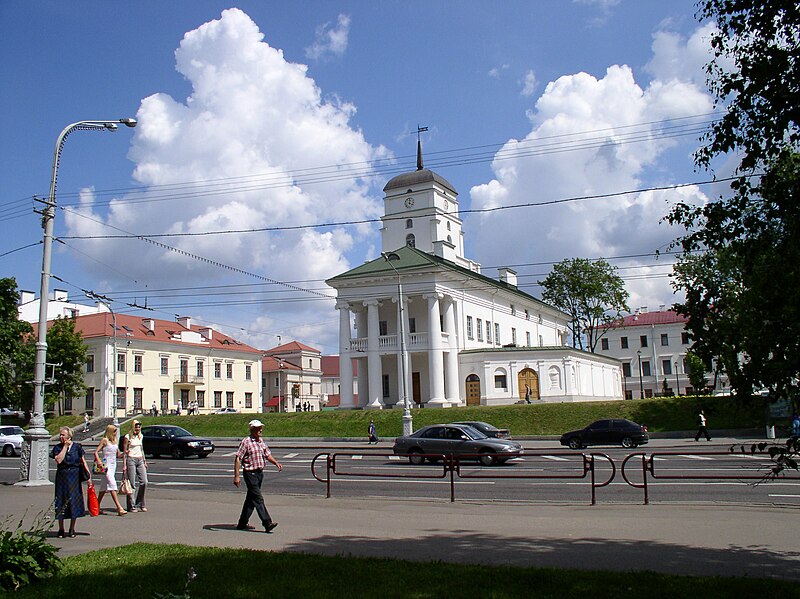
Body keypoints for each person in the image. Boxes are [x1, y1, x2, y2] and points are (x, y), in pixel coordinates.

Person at [233, 419, 282, 533]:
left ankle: (242, 523)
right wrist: (237, 476)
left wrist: (276, 463)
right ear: (252, 429)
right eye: (258, 428)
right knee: (258, 498)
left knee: (251, 500)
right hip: (250, 474)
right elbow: (238, 458)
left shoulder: (261, 441)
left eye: (261, 428)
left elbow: (267, 454)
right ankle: (267, 523)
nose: (260, 430)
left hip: (259, 473)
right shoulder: (246, 442)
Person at [52, 426, 91, 538]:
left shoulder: (77, 447)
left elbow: (83, 461)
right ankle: (61, 528)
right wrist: (65, 447)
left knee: (74, 501)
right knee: (61, 501)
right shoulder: (58, 448)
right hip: (62, 477)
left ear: (69, 436)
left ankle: (72, 528)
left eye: (63, 435)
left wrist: (89, 477)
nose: (61, 437)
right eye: (60, 435)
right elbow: (59, 460)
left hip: (74, 476)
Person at [94, 424, 127, 516]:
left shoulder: (115, 442)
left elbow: (118, 454)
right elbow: (96, 452)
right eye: (115, 431)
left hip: (113, 465)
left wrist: (125, 452)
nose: (116, 433)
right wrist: (99, 461)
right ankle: (119, 508)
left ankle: (95, 506)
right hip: (106, 465)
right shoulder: (105, 440)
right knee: (112, 485)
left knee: (103, 487)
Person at [122, 420, 149, 512]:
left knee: (144, 482)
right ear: (133, 427)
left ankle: (140, 503)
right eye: (136, 427)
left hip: (140, 459)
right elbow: (125, 452)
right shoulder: (127, 437)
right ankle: (131, 506)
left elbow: (142, 449)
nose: (138, 429)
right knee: (132, 484)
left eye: (139, 427)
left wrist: (144, 461)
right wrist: (124, 464)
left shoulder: (140, 436)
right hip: (131, 460)